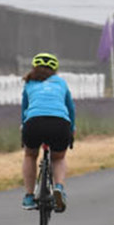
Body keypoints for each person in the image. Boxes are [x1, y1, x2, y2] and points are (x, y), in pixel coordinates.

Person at [20, 53, 75, 211]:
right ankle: (59, 188)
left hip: (34, 122)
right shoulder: (61, 83)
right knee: (58, 158)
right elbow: (71, 108)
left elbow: (25, 109)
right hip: (59, 123)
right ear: (55, 70)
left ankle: (29, 196)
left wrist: (23, 128)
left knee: (30, 155)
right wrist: (72, 130)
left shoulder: (29, 83)